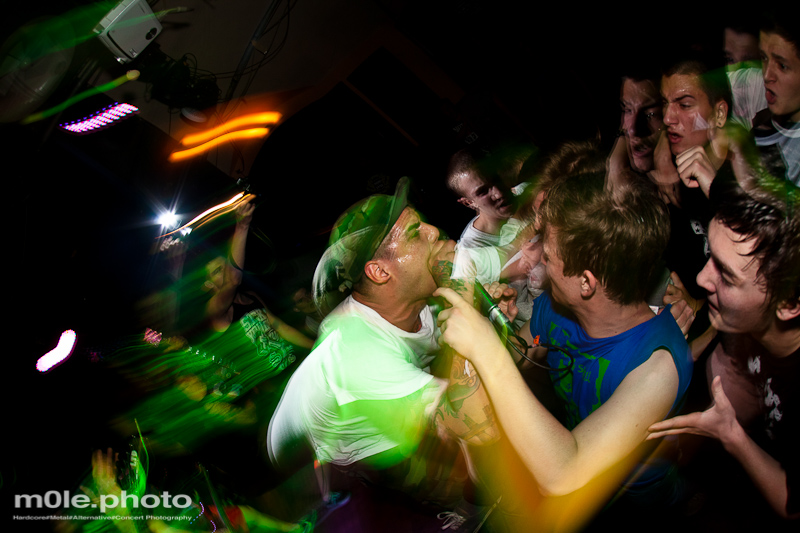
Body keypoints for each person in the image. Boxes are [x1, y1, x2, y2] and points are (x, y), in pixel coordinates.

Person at [435, 171, 693, 529]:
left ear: (586, 282)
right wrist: (493, 330)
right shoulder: (553, 307)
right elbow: (517, 360)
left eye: (548, 255)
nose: (537, 260)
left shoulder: (658, 364)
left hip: (638, 501)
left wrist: (487, 352)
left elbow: (563, 473)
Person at [267, 178, 499, 525]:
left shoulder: (419, 302)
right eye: (414, 233)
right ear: (379, 272)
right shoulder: (355, 348)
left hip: (379, 397)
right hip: (327, 453)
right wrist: (462, 296)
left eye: (422, 222)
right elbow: (481, 428)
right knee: (449, 479)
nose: (434, 232)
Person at [648, 172, 800, 520]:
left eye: (726, 276)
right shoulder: (748, 316)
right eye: (711, 257)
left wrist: (731, 435)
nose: (702, 278)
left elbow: (793, 507)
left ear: (789, 303)